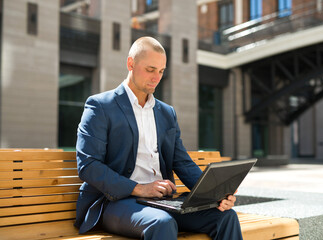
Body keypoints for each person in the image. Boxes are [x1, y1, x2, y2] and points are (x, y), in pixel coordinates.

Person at [74, 36, 243, 240]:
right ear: (130, 64)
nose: (156, 77)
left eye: (161, 71)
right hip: (114, 202)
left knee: (226, 217)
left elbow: (181, 162)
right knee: (162, 223)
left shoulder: (166, 112)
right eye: (150, 69)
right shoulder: (100, 106)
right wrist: (139, 189)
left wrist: (215, 195)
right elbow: (88, 165)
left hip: (161, 202)